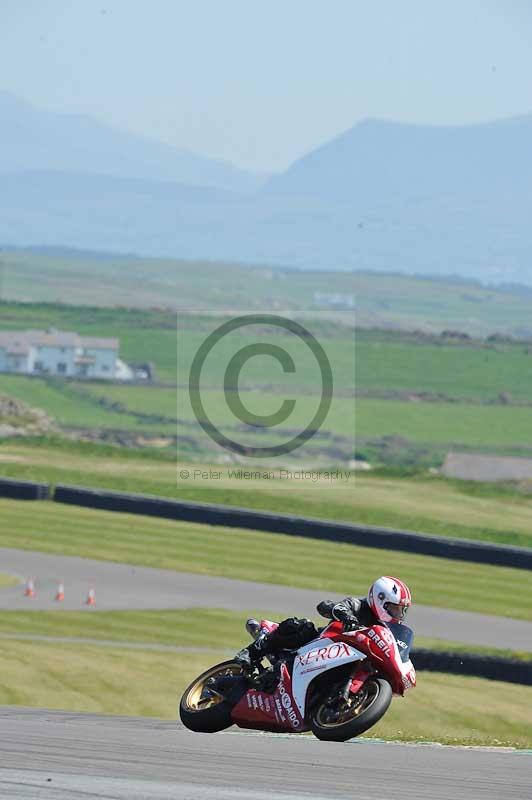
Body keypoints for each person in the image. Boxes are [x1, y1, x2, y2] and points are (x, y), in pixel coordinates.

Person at [234, 576, 413, 670]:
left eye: (401, 610)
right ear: (381, 599)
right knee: (302, 626)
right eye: (395, 609)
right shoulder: (358, 606)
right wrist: (346, 616)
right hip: (320, 645)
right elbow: (326, 606)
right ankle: (250, 652)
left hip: (349, 658)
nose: (398, 614)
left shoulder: (384, 629)